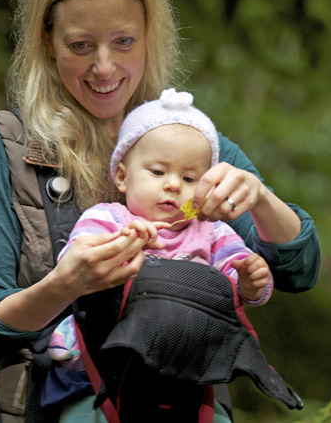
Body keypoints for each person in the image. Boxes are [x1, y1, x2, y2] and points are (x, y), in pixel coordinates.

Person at [0, 0, 321, 422]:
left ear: (150, 34)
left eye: (124, 42)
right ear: (47, 41)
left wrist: (262, 200)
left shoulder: (190, 144)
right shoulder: (4, 150)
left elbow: (299, 270)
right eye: (81, 45)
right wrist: (63, 285)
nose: (105, 68)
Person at [48, 89, 273, 380]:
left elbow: (235, 286)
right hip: (105, 359)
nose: (173, 186)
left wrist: (251, 281)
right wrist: (123, 243)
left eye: (189, 178)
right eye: (157, 172)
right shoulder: (108, 218)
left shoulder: (212, 232)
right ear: (122, 176)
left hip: (183, 363)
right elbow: (73, 261)